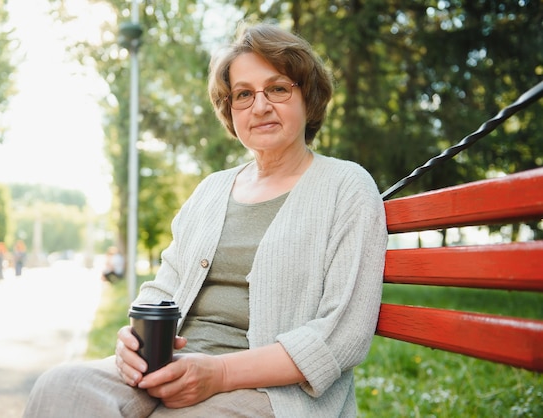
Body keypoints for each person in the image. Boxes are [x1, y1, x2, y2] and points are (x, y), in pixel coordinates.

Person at [23, 22, 387, 417]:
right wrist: (133, 339)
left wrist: (219, 373)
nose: (260, 106)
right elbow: (165, 284)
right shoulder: (212, 190)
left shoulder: (346, 186)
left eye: (278, 88)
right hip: (171, 367)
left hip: (273, 391)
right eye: (244, 94)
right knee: (61, 388)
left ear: (308, 96)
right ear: (230, 108)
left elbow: (342, 336)